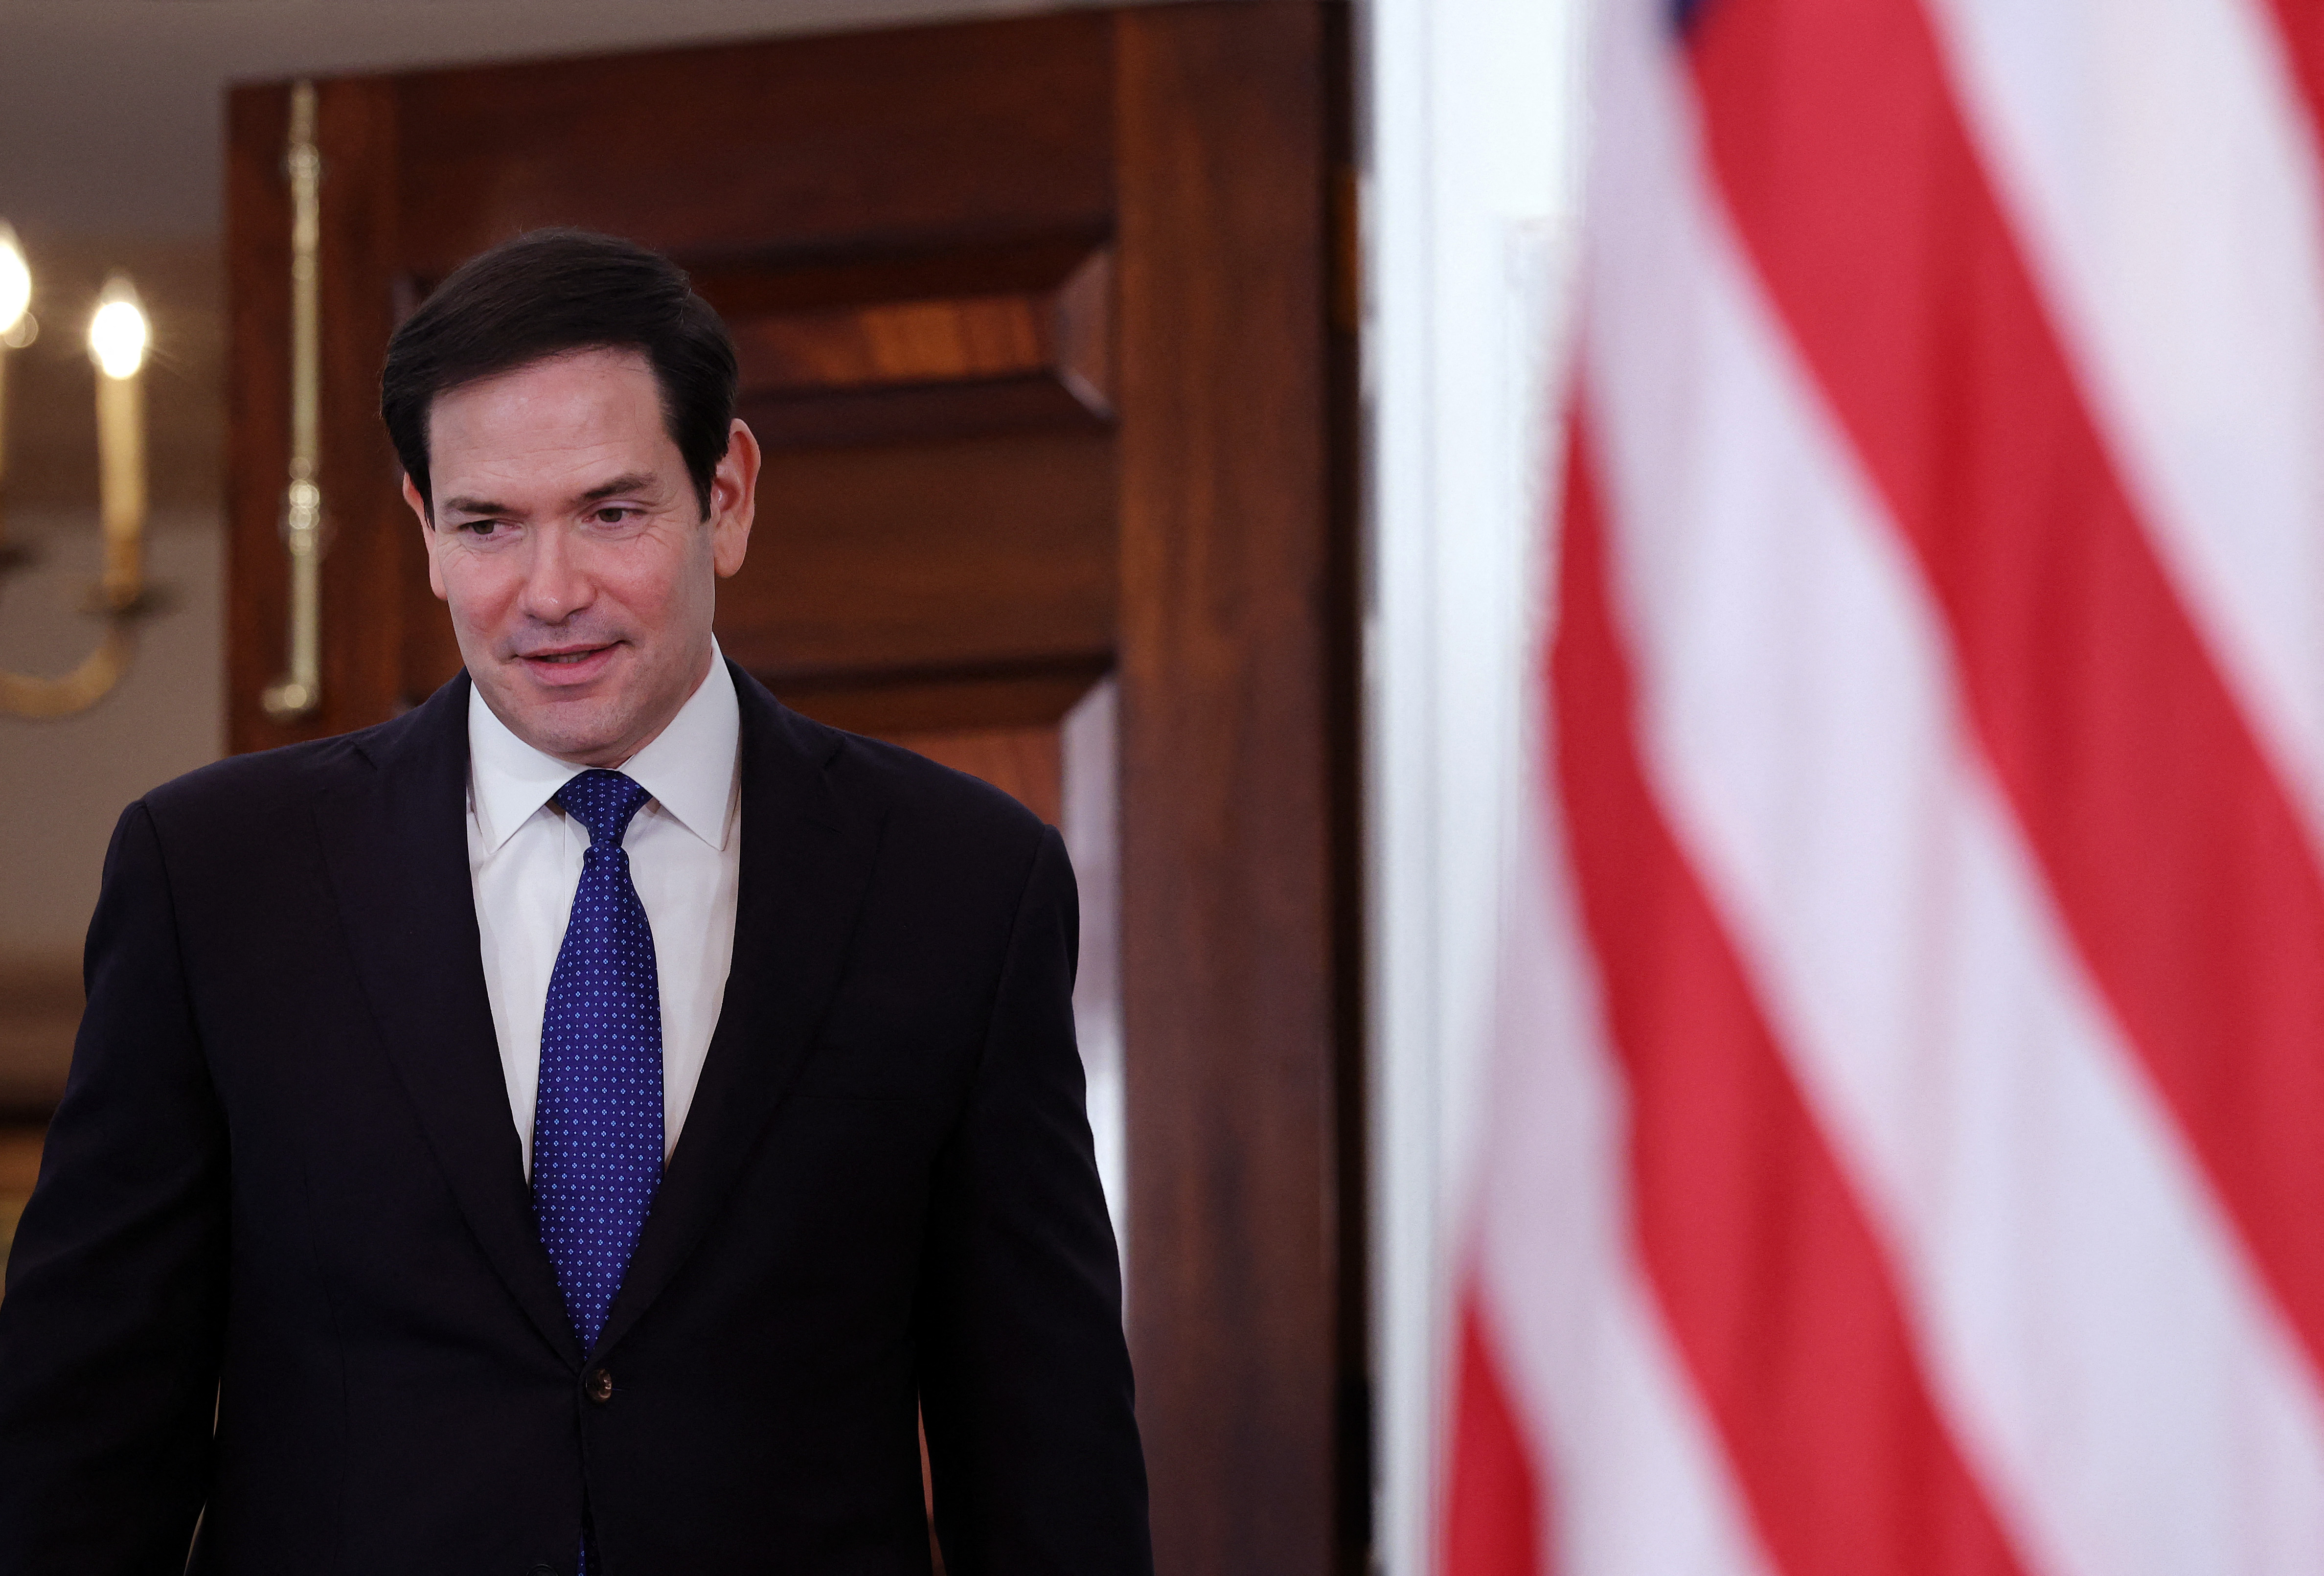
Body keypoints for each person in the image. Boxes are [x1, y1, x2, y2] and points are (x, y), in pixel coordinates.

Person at [0, 228, 1151, 1576]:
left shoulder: (963, 881)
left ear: (726, 493)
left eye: (612, 513)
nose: (551, 596)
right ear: (426, 530)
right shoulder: (218, 878)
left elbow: (1045, 1447)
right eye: (490, 525)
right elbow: (85, 1432)